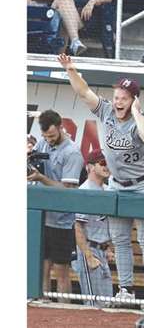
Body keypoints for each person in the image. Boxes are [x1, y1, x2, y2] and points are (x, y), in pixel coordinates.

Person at [57, 54, 144, 303]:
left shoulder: (142, 120)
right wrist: (71, 70)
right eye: (116, 98)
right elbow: (84, 93)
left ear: (134, 100)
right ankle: (126, 289)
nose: (118, 102)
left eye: (124, 98)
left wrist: (136, 112)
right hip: (117, 185)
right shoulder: (106, 112)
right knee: (121, 239)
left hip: (143, 184)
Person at [27, 109, 84, 303]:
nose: (48, 140)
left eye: (51, 135)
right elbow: (35, 163)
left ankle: (65, 312)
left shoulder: (72, 152)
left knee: (61, 271)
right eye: (45, 136)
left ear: (61, 127)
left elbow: (68, 189)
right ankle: (43, 308)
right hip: (41, 217)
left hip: (61, 220)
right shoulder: (43, 142)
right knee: (41, 268)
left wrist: (41, 177)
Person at [73, 149, 114, 308]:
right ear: (89, 167)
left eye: (109, 163)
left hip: (102, 250)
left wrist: (109, 248)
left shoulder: (108, 190)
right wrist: (88, 256)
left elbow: (105, 223)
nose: (107, 166)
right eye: (102, 162)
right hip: (89, 249)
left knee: (107, 303)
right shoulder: (85, 191)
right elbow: (77, 227)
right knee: (93, 305)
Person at [51, 0, 120, 56]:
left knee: (63, 16)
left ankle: (59, 57)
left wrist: (93, 1)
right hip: (62, 6)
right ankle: (75, 41)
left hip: (84, 15)